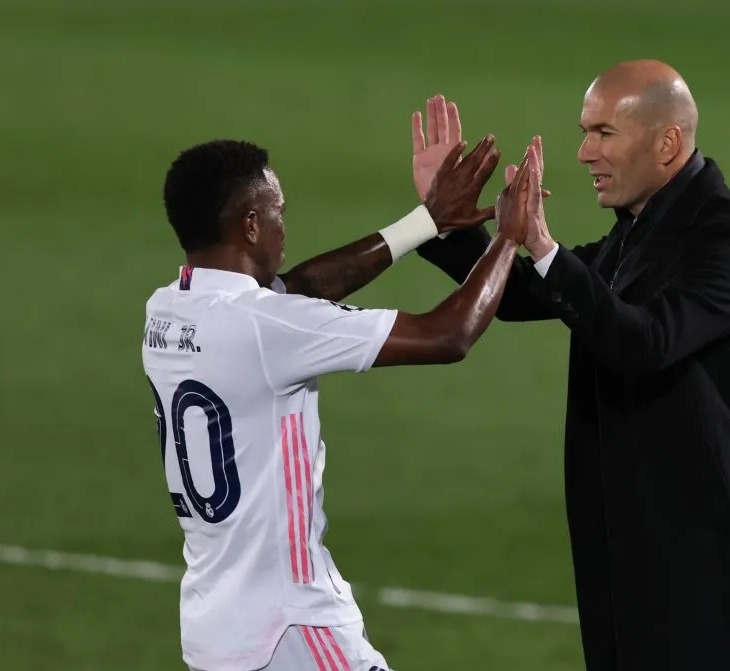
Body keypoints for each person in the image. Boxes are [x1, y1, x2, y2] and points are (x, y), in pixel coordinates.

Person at [413, 64, 730, 670]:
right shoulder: (638, 233)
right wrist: (436, 221)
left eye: (604, 133)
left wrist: (544, 249)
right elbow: (520, 297)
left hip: (724, 576)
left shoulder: (724, 241)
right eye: (585, 132)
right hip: (652, 562)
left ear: (667, 143)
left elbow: (643, 343)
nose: (585, 152)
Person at [142, 134, 542, 671]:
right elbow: (449, 335)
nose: (286, 226)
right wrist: (508, 238)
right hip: (292, 626)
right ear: (251, 225)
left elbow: (300, 289)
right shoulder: (263, 327)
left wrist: (427, 221)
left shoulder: (167, 313)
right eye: (278, 211)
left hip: (215, 632)